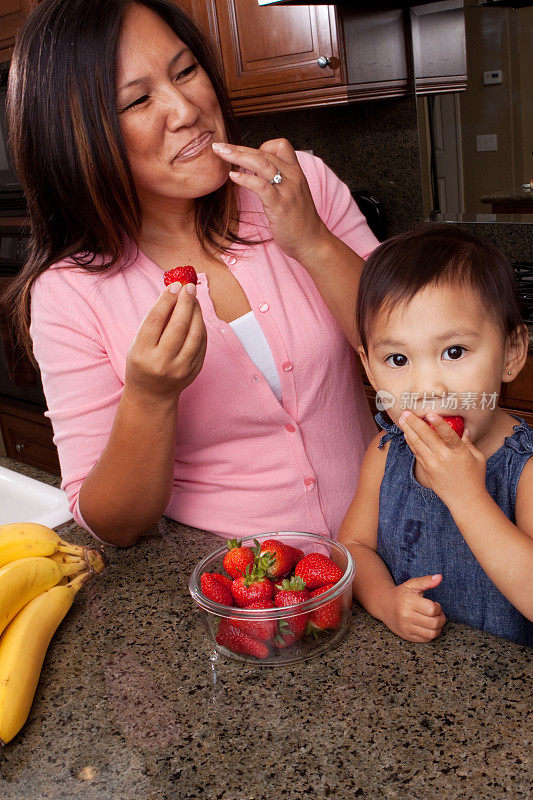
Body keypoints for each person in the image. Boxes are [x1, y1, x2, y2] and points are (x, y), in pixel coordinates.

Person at [5, 0, 379, 547]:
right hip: (245, 594)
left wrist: (314, 242)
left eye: (186, 71)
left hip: (392, 549)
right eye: (137, 100)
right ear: (77, 140)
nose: (186, 109)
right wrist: (150, 396)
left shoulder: (304, 185)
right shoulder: (69, 295)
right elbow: (113, 522)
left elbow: (417, 364)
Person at [338, 225, 533, 647]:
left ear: (511, 354)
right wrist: (384, 601)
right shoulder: (385, 453)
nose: (427, 387)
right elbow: (353, 545)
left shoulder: (527, 470)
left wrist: (466, 495)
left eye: (454, 352)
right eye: (397, 358)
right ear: (370, 370)